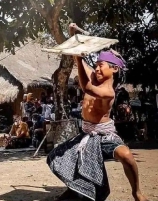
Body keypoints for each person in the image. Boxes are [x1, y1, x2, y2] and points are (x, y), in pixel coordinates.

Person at [47, 23, 148, 201]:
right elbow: (84, 68)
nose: (97, 68)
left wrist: (79, 57)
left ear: (114, 69)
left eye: (102, 65)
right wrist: (74, 37)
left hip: (104, 134)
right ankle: (74, 191)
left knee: (126, 155)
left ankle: (137, 192)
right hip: (86, 132)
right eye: (97, 65)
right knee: (67, 161)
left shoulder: (109, 92)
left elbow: (86, 87)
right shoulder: (94, 75)